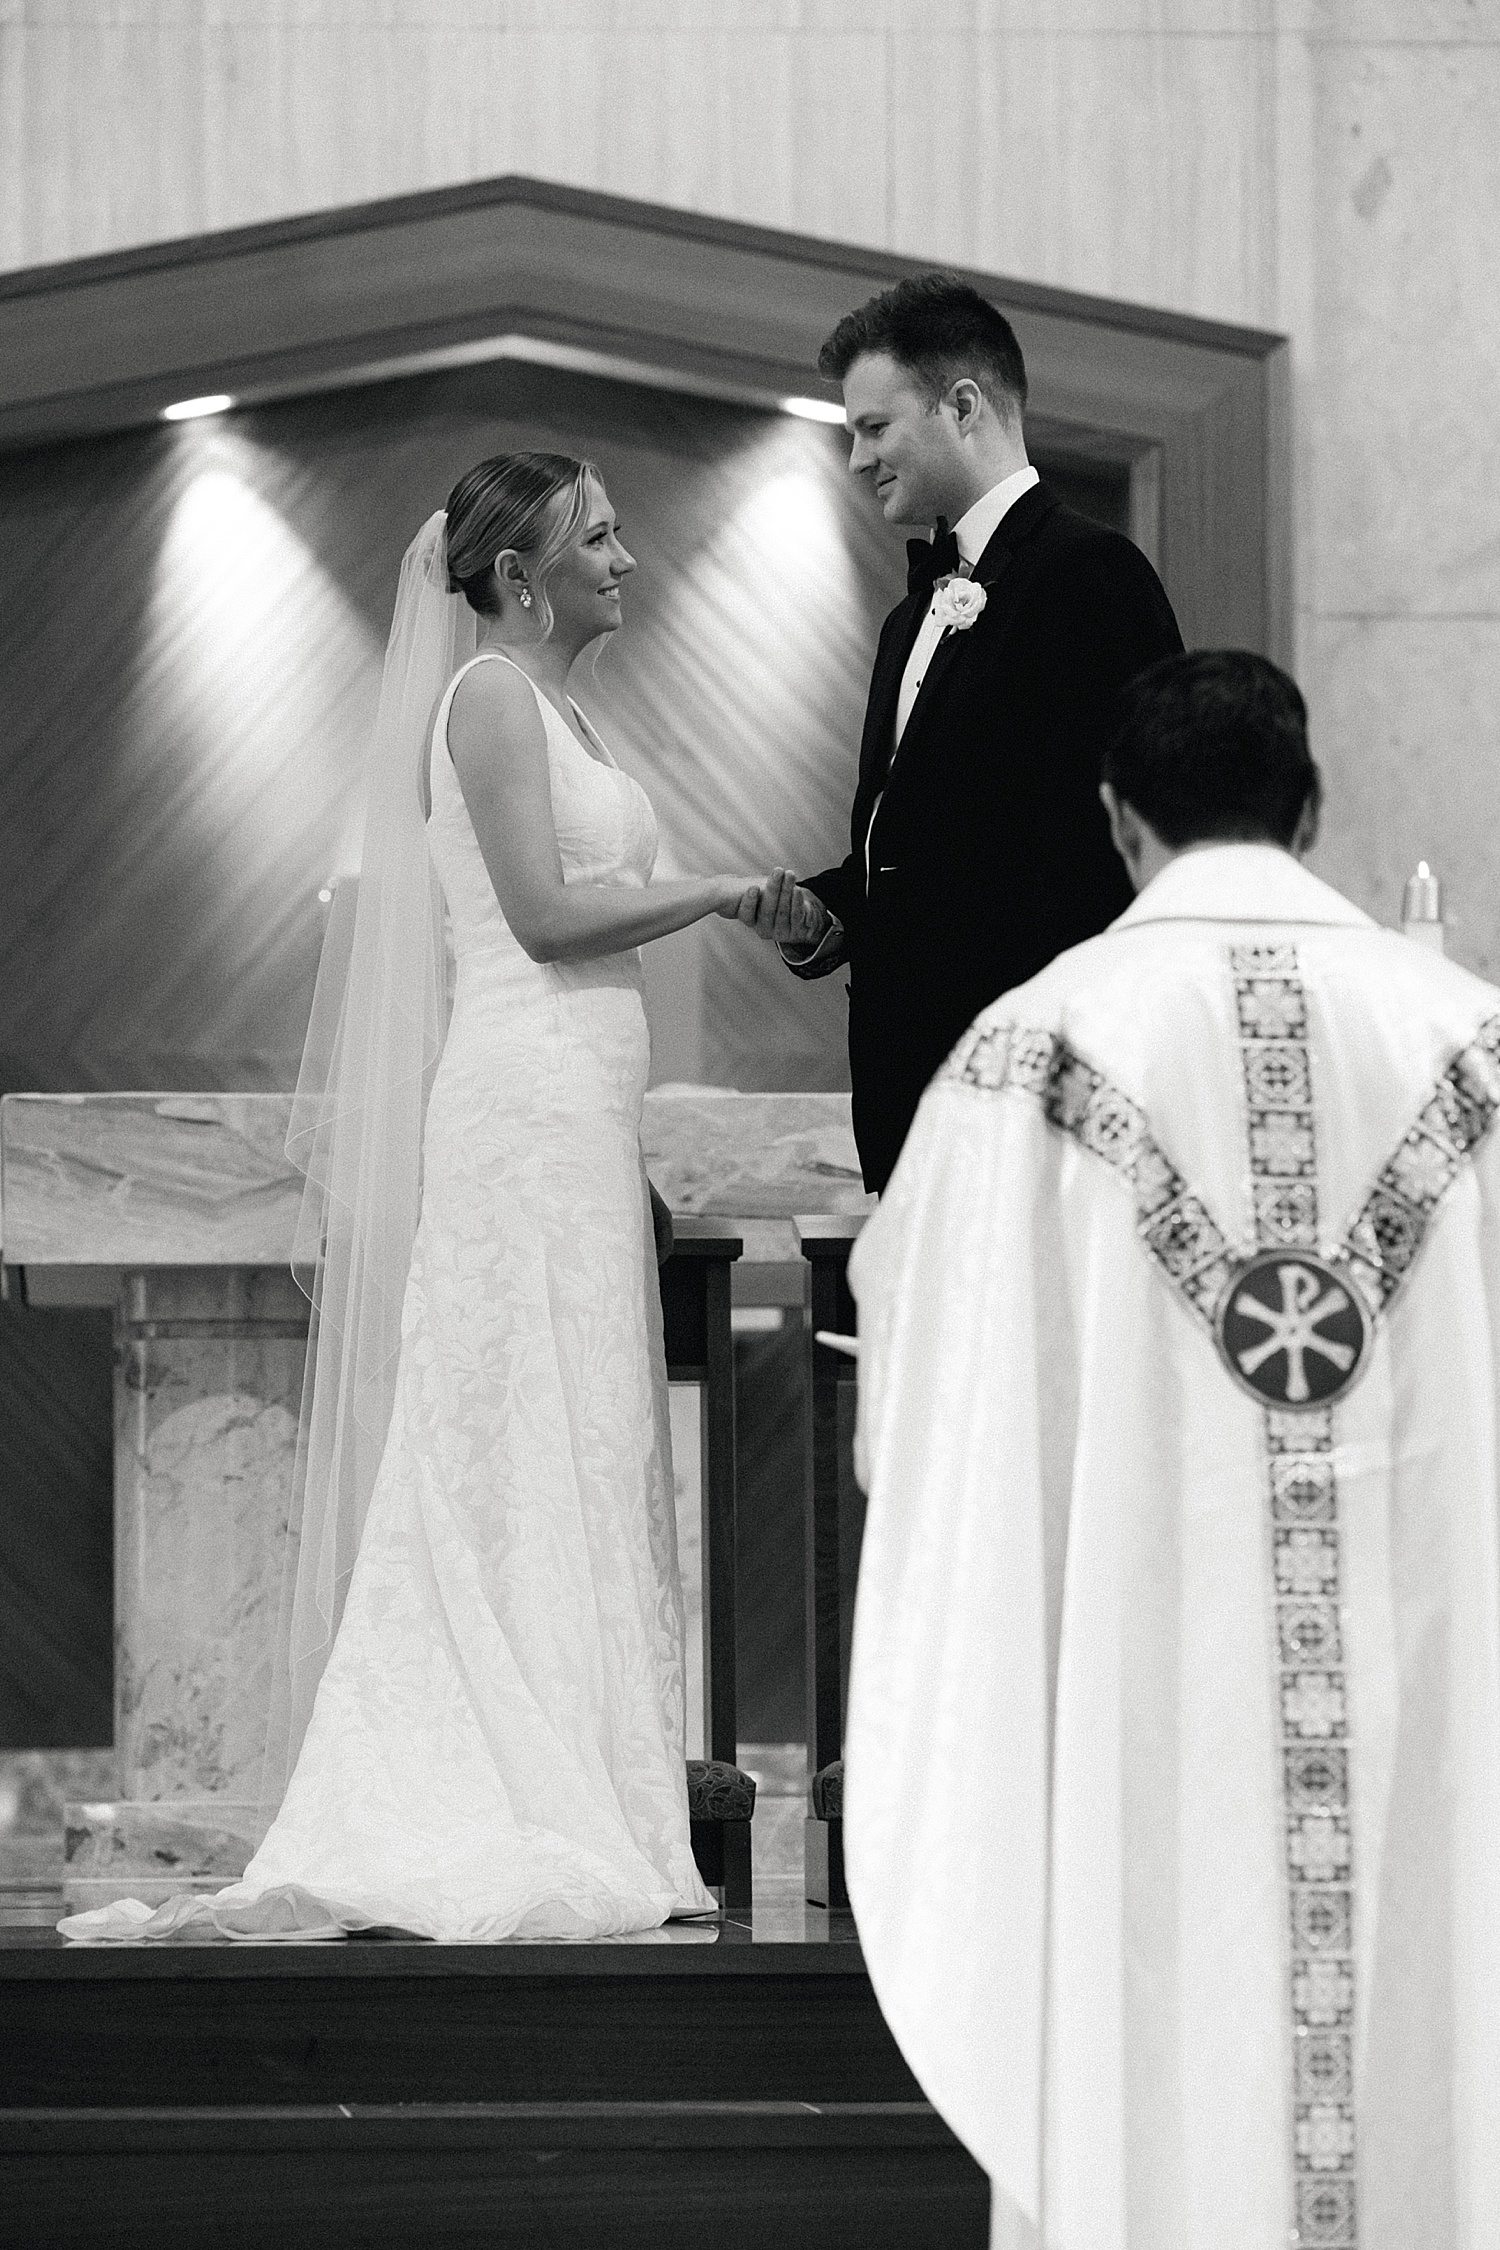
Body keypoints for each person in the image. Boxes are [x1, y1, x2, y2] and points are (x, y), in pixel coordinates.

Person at [61, 452, 822, 1945]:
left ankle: (587, 1784)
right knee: (514, 1427)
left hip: (581, 1118)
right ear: (521, 577)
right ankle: (497, 1783)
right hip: (522, 1108)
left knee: (584, 1430)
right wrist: (726, 889)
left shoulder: (569, 706)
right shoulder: (486, 699)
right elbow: (541, 913)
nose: (626, 553)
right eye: (596, 536)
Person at [843, 651, 1500, 2248]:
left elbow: (922, 1373)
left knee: (1144, 2024)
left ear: (1118, 819)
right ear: (1314, 806)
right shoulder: (1469, 1043)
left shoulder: (1030, 1050)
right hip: (1435, 1661)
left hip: (1138, 1680)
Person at [764, 272, 1183, 1194]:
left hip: (1030, 1092)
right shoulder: (910, 617)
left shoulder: (1093, 576)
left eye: (875, 428)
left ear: (962, 406)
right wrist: (832, 911)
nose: (857, 460)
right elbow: (935, 841)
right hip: (912, 1091)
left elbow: (1138, 837)